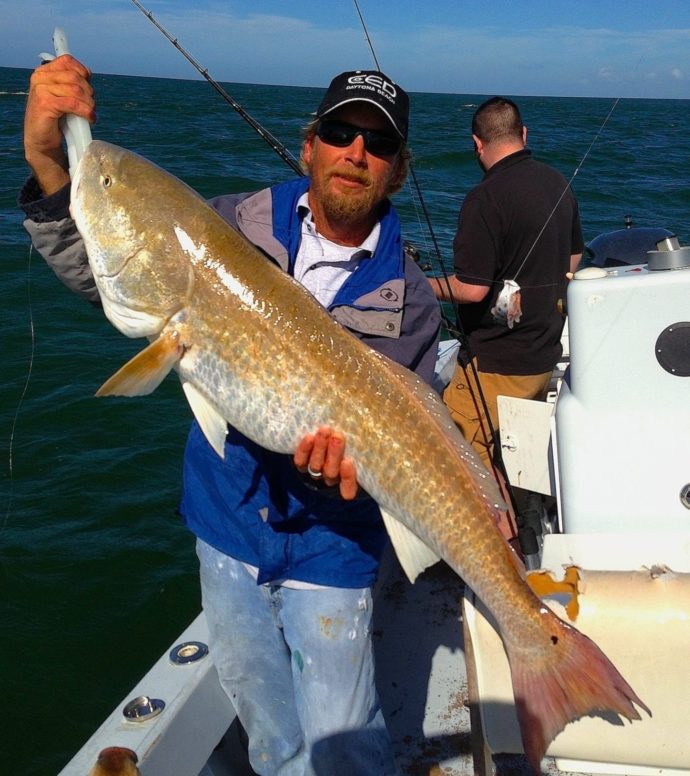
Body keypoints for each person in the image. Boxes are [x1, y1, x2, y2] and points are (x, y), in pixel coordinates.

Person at [20, 57, 441, 776]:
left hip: (334, 543)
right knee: (270, 733)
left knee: (345, 741)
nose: (355, 152)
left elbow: (404, 436)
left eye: (378, 143)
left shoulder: (413, 300)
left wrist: (344, 472)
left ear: (397, 170)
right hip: (225, 524)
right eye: (340, 133)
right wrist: (47, 163)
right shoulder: (227, 225)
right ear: (309, 145)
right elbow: (109, 270)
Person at [429, 96, 583, 472]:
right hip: (543, 355)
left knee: (455, 459)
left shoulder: (484, 198)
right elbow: (573, 260)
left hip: (497, 365)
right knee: (513, 457)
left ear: (477, 143)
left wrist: (419, 284)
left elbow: (471, 289)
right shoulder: (557, 182)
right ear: (523, 134)